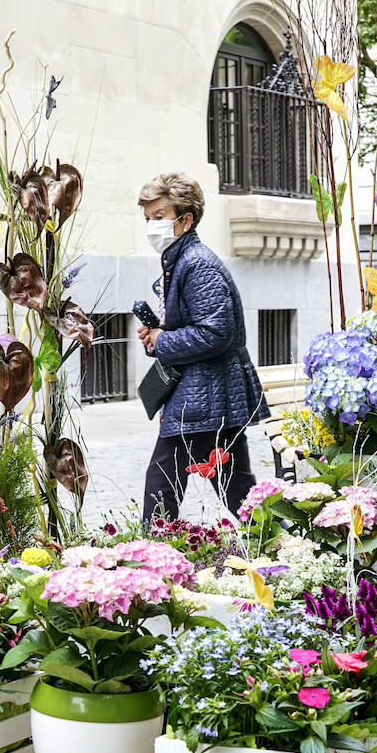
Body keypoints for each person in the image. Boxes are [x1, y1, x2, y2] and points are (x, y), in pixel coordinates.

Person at [136, 172, 268, 524]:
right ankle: (279, 546)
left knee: (162, 483)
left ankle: (149, 560)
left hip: (204, 397)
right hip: (208, 395)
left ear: (186, 219)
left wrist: (162, 339)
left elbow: (215, 333)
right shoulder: (181, 261)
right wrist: (159, 335)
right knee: (236, 487)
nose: (152, 225)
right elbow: (198, 328)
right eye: (148, 218)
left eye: (160, 216)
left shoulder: (197, 264)